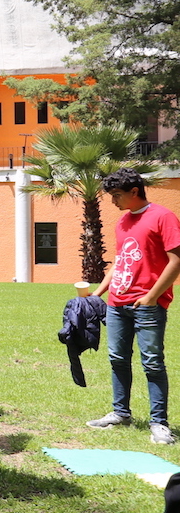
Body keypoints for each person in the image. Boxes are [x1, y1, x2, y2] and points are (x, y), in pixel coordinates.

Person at [86, 168, 180, 445]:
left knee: (152, 363)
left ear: (134, 192)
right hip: (117, 303)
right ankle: (120, 413)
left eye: (117, 195)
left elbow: (175, 261)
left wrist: (152, 296)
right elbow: (119, 263)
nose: (113, 201)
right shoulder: (123, 222)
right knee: (117, 359)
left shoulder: (163, 217)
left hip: (148, 305)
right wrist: (98, 293)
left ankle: (159, 423)